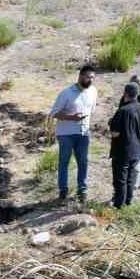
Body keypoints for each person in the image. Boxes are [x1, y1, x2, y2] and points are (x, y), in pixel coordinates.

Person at [50, 65, 99, 203]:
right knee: (64, 162)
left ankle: (82, 190)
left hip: (83, 133)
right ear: (80, 76)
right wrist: (72, 117)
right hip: (66, 134)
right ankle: (63, 190)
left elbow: (92, 109)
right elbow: (54, 113)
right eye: (88, 77)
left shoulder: (93, 91)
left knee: (83, 162)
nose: (90, 80)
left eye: (92, 78)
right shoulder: (66, 93)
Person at [108, 82, 140, 209]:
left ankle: (119, 206)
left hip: (123, 150)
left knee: (120, 180)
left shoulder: (123, 111)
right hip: (137, 149)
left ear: (125, 93)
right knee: (130, 178)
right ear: (137, 93)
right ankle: (128, 203)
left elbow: (115, 133)